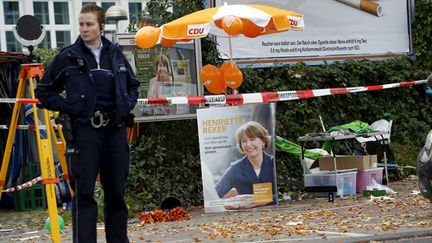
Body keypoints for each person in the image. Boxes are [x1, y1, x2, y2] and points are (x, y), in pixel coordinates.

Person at [36, 4, 139, 243]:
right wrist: (68, 108)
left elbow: (133, 85)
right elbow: (44, 91)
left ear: (101, 26)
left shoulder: (115, 53)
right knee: (84, 196)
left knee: (116, 195)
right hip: (85, 134)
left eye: (89, 24)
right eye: (81, 24)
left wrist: (126, 105)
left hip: (114, 132)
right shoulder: (68, 57)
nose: (84, 29)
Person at [214, 121, 277, 210]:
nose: (248, 145)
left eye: (252, 139)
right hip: (246, 218)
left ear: (263, 141)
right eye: (244, 141)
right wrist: (225, 204)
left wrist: (266, 198)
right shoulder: (235, 169)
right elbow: (214, 195)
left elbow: (289, 195)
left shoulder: (274, 163)